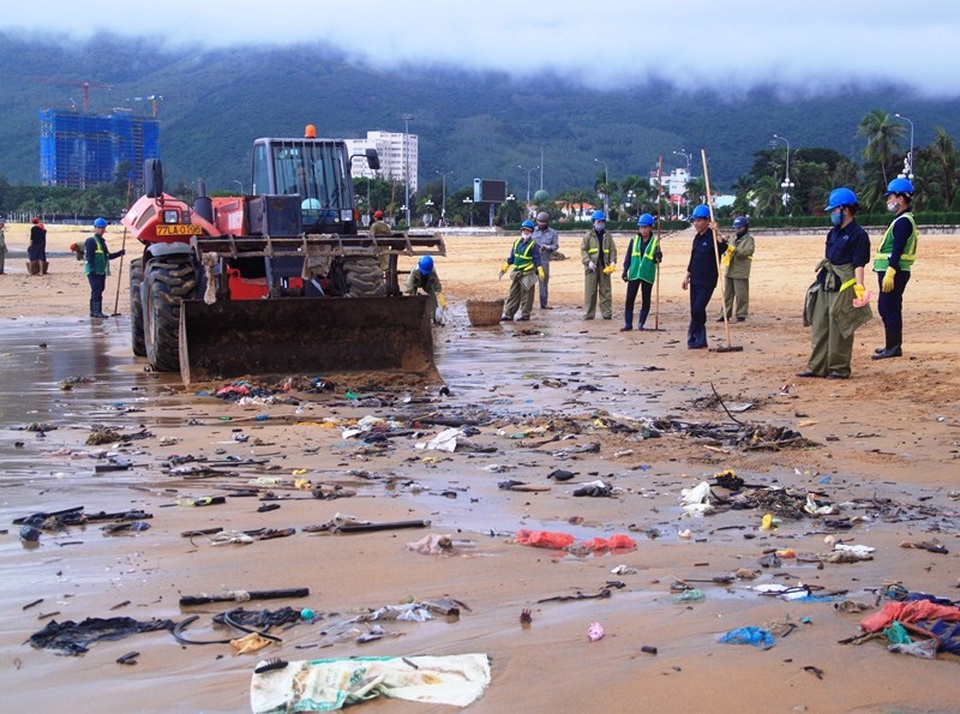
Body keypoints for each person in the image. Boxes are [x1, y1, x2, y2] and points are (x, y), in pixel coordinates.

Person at [797, 188, 871, 379]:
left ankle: (838, 368)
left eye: (834, 210)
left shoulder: (859, 234)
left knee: (840, 328)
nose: (832, 214)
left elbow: (859, 264)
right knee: (820, 325)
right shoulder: (833, 233)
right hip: (826, 283)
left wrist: (859, 288)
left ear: (845, 210)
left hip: (845, 286)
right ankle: (817, 367)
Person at [872, 177, 918, 360]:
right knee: (886, 307)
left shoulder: (903, 221)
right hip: (892, 270)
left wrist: (891, 271)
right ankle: (890, 344)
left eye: (890, 198)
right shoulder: (900, 220)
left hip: (894, 272)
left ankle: (893, 347)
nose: (888, 202)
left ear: (900, 199)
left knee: (889, 308)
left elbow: (898, 248)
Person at [681, 204, 727, 349]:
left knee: (697, 310)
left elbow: (723, 248)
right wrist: (687, 276)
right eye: (694, 221)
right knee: (695, 310)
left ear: (707, 221)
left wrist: (717, 231)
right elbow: (693, 259)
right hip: (695, 279)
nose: (696, 224)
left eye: (699, 220)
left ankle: (693, 334)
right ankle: (700, 340)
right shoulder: (696, 238)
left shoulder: (713, 237)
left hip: (708, 280)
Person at [620, 213, 661, 331]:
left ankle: (641, 323)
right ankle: (628, 324)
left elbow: (657, 260)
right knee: (630, 299)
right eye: (641, 227)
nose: (643, 230)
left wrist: (658, 256)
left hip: (647, 274)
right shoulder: (634, 240)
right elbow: (629, 256)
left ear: (650, 228)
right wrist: (625, 270)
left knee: (646, 299)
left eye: (645, 227)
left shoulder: (655, 242)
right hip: (634, 273)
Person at [500, 219, 545, 322]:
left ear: (531, 232)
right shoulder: (516, 243)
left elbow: (537, 259)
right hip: (517, 272)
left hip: (528, 273)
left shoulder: (534, 245)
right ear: (521, 231)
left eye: (528, 231)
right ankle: (508, 314)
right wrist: (505, 267)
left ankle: (525, 314)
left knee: (527, 296)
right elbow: (512, 257)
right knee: (513, 294)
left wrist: (540, 270)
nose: (526, 232)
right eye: (524, 230)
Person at [84, 218, 125, 318]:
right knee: (96, 289)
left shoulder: (102, 242)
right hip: (93, 271)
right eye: (99, 228)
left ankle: (94, 311)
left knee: (100, 289)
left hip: (101, 271)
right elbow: (89, 256)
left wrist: (120, 253)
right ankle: (96, 311)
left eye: (103, 228)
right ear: (95, 228)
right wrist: (92, 269)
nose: (101, 230)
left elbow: (108, 256)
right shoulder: (91, 241)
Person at [580, 210, 617, 320]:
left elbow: (612, 250)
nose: (600, 223)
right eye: (598, 221)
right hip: (592, 267)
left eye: (602, 221)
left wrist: (613, 262)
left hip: (604, 266)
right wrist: (588, 261)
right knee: (590, 291)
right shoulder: (588, 236)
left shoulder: (608, 236)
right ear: (593, 222)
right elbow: (583, 250)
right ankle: (589, 313)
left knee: (606, 291)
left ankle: (606, 313)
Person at [718, 215, 754, 322]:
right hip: (729, 269)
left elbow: (747, 252)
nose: (737, 230)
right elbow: (726, 249)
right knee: (727, 295)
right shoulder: (732, 238)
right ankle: (724, 314)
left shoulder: (749, 240)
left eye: (739, 228)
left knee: (741, 294)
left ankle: (741, 314)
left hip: (741, 271)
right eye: (736, 228)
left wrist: (734, 250)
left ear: (745, 227)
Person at [532, 211, 559, 309]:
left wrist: (548, 247)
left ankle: (544, 303)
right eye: (540, 222)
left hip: (544, 260)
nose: (541, 224)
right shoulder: (532, 231)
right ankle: (527, 304)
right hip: (532, 261)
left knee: (543, 283)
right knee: (529, 282)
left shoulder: (553, 233)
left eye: (544, 222)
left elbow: (555, 245)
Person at [405, 255, 446, 320]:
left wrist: (443, 301)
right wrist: (408, 295)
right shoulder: (415, 271)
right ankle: (411, 313)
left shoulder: (432, 272)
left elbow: (437, 287)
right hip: (416, 282)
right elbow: (409, 284)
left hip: (427, 282)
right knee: (412, 295)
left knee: (433, 298)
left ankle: (433, 317)